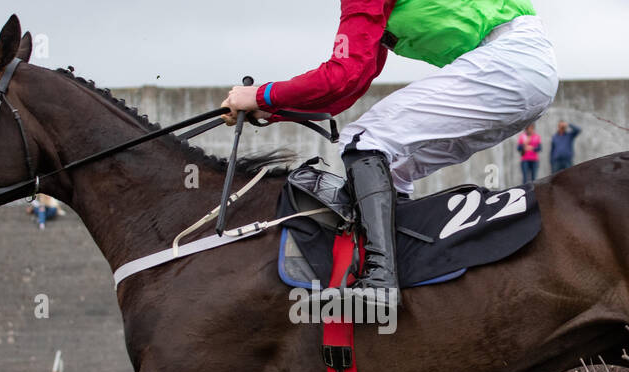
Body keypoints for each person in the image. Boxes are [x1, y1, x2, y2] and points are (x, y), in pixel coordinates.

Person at [221, 0, 559, 309]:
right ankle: (408, 272)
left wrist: (262, 95)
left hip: (508, 61)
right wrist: (268, 108)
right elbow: (352, 84)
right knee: (392, 166)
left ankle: (380, 281)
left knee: (363, 139)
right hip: (525, 69)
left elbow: (341, 76)